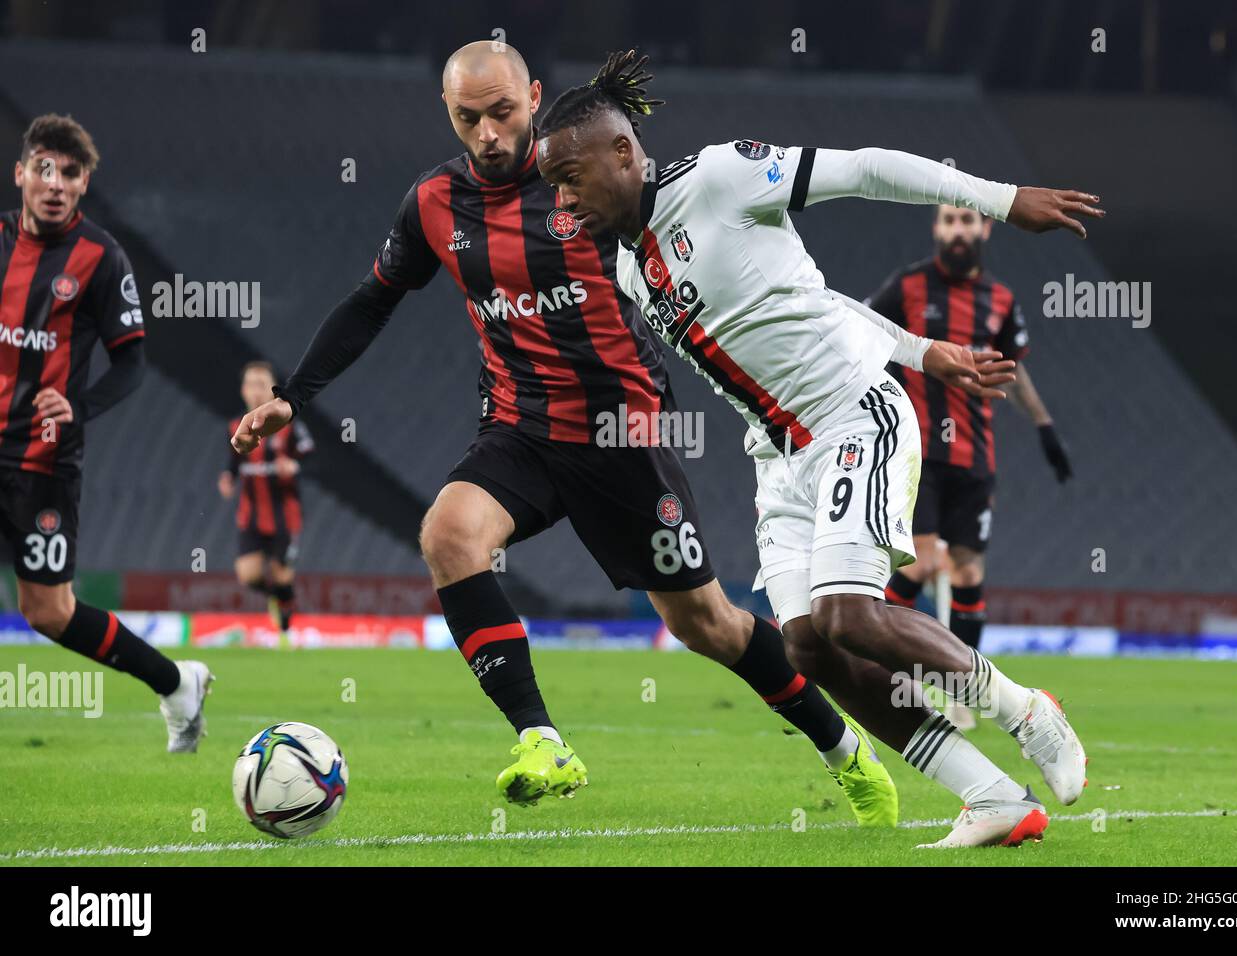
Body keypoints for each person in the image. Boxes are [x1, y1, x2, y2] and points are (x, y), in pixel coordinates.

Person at [233, 41, 904, 825]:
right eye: (467, 118)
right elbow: (372, 298)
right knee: (450, 535)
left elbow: (699, 257)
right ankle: (541, 739)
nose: (487, 133)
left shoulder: (587, 186)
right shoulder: (433, 205)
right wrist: (293, 394)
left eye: (502, 113)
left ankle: (842, 748)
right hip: (519, 424)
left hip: (621, 431)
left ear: (534, 96)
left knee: (704, 623)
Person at [535, 50, 1101, 847]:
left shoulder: (721, 178)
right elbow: (804, 297)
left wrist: (1003, 201)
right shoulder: (632, 264)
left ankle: (1027, 712)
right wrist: (921, 347)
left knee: (850, 616)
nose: (563, 201)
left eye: (570, 178)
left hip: (851, 418)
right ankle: (992, 797)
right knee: (807, 644)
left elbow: (866, 168)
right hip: (777, 460)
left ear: (623, 153)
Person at [2, 114, 211, 752]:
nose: (55, 182)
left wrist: (77, 406)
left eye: (69, 172)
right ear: (20, 174)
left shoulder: (99, 257)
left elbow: (132, 361)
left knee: (50, 613)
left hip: (42, 465)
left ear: (84, 182)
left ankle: (176, 682)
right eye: (43, 167)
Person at [869, 205, 1072, 729]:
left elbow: (1015, 370)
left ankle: (962, 690)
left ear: (984, 229)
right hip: (919, 452)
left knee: (969, 572)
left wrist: (1045, 426)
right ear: (937, 229)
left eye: (967, 221)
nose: (957, 229)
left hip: (976, 458)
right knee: (923, 563)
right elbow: (861, 331)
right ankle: (885, 665)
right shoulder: (908, 286)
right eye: (948, 221)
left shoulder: (1001, 300)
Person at [220, 361, 313, 634]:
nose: (255, 391)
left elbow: (317, 459)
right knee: (248, 575)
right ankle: (279, 598)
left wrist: (295, 466)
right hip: (251, 515)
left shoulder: (290, 426)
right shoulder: (235, 426)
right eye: (250, 384)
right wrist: (228, 476)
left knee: (283, 576)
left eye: (262, 384)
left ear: (274, 391)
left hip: (285, 515)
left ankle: (285, 606)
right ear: (242, 390)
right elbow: (234, 459)